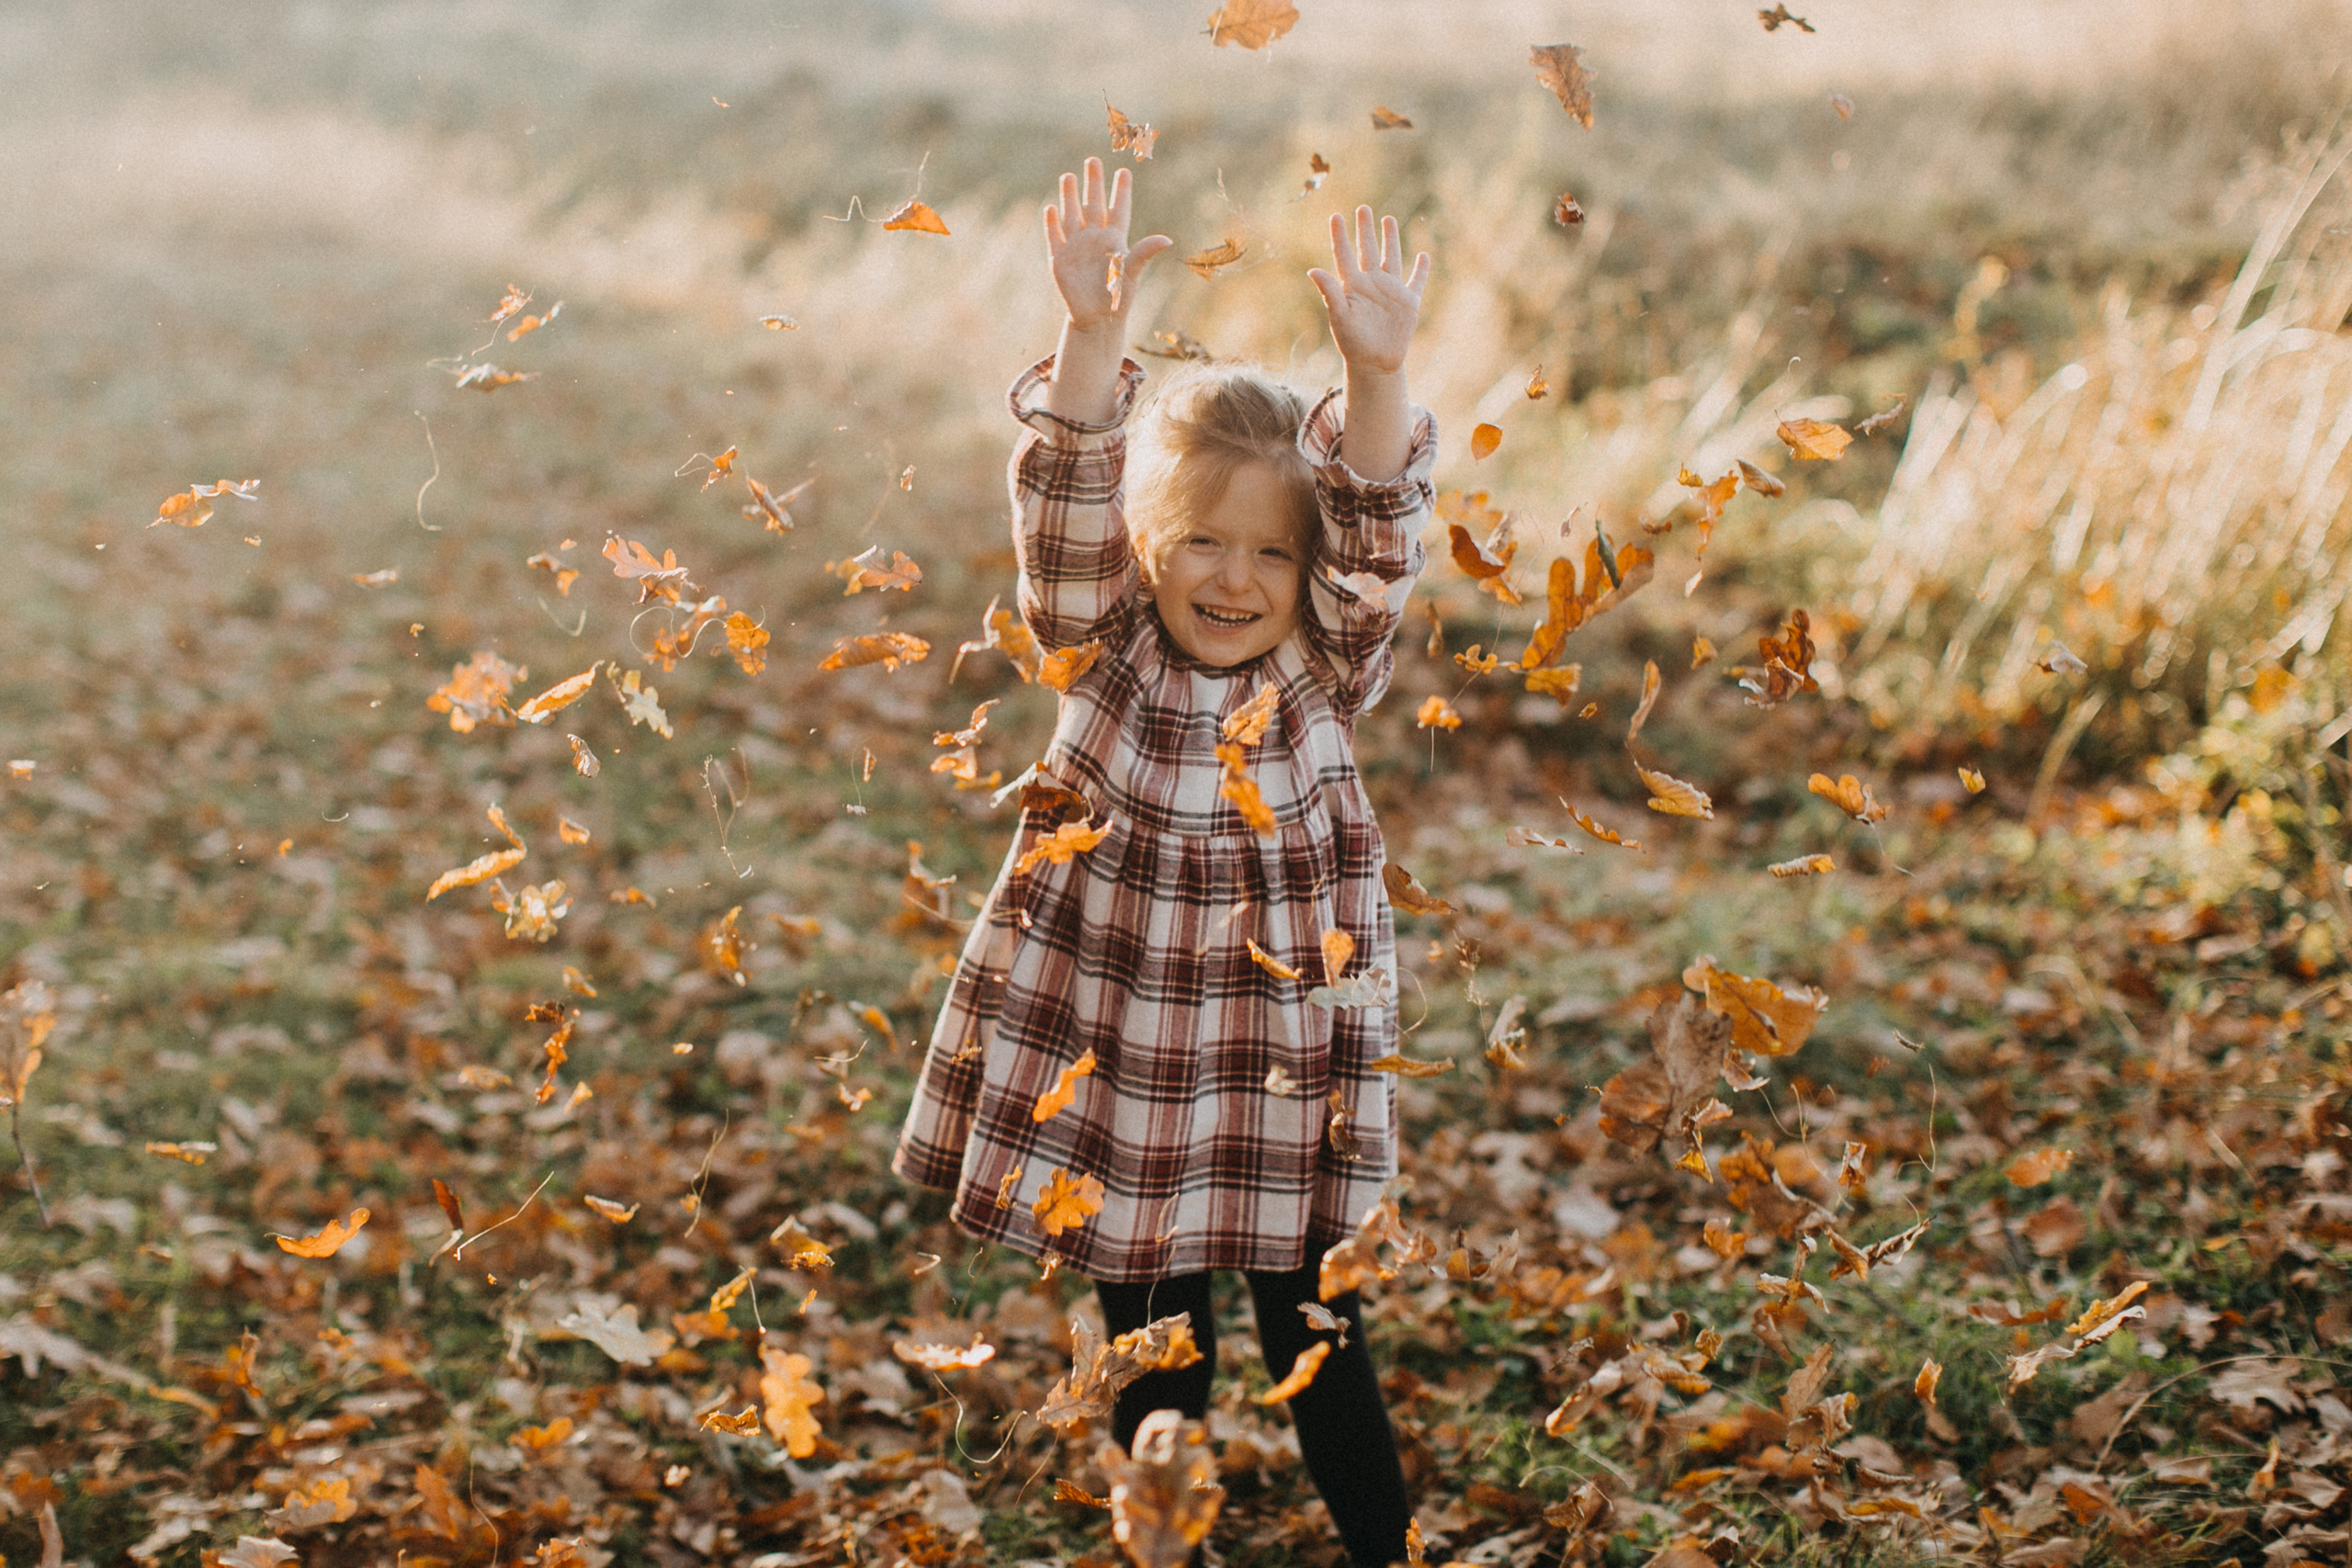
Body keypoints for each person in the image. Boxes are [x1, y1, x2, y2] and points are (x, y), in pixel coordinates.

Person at [894, 156, 1433, 1567]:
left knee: (1317, 1332)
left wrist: (1375, 377)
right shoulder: (1106, 646)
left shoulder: (1323, 670)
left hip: (1282, 1067)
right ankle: (1166, 1550)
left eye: (1269, 552)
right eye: (1200, 540)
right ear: (1148, 545)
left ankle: (1387, 1553)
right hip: (1127, 1060)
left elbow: (1378, 530)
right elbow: (1065, 495)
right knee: (1155, 1339)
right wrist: (1089, 335)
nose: (1234, 578)